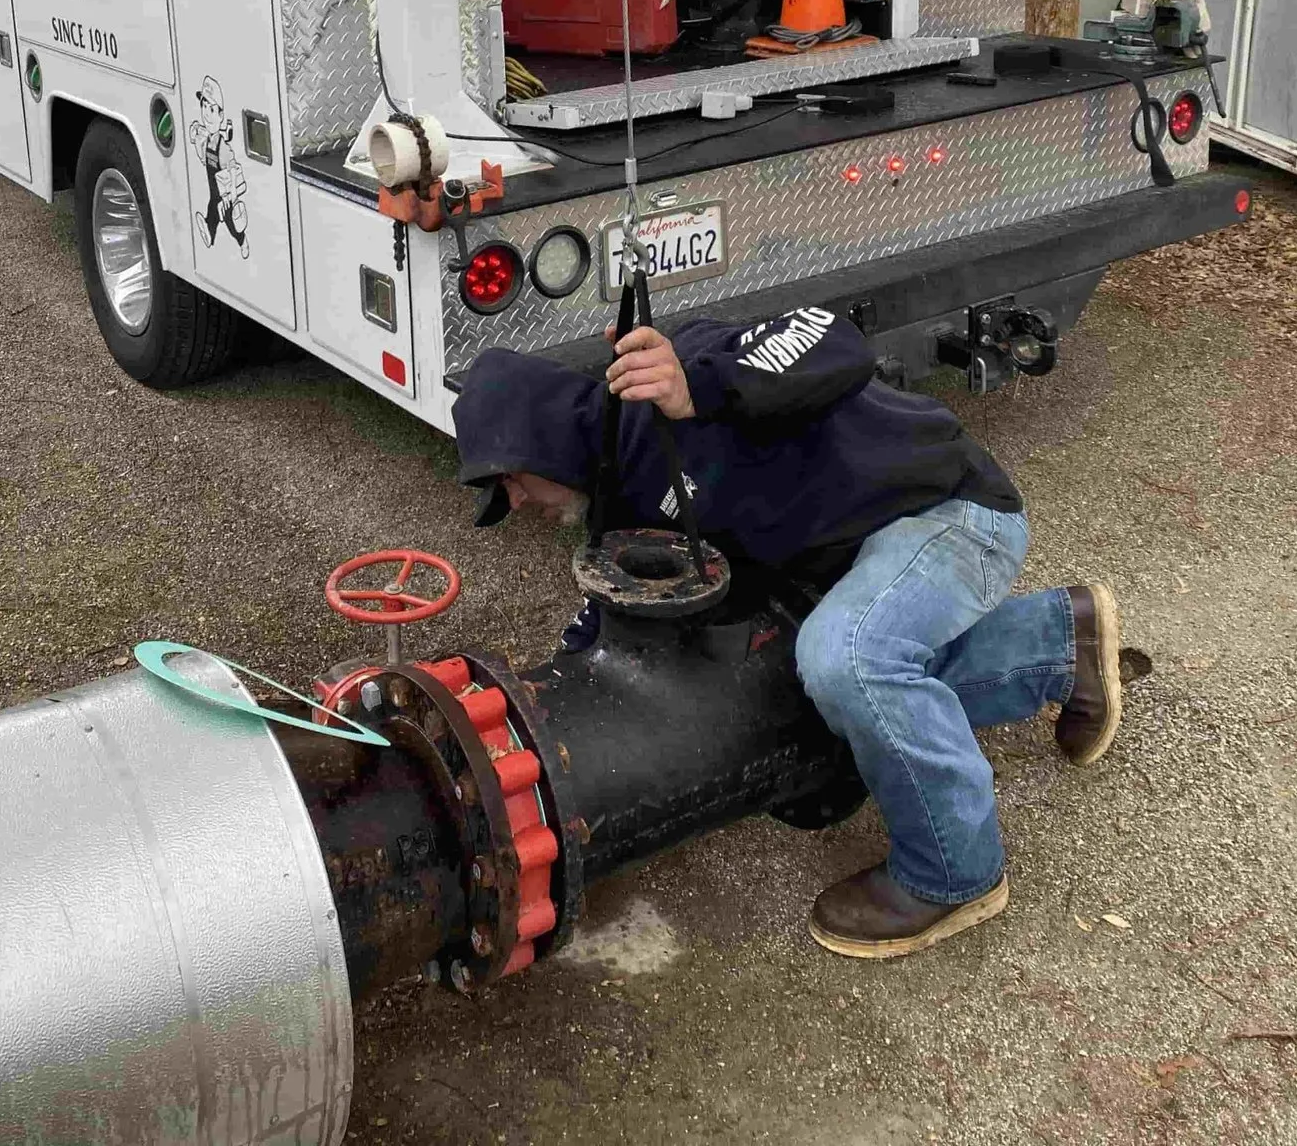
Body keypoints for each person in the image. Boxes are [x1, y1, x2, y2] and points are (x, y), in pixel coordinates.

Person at [453, 303, 1122, 961]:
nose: (515, 504)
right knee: (835, 691)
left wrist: (700, 389)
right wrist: (545, 724)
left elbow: (833, 339)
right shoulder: (619, 504)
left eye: (507, 483)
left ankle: (954, 875)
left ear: (533, 444)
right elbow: (618, 623)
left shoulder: (676, 369)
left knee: (847, 660)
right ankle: (1058, 645)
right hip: (856, 564)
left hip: (948, 512)